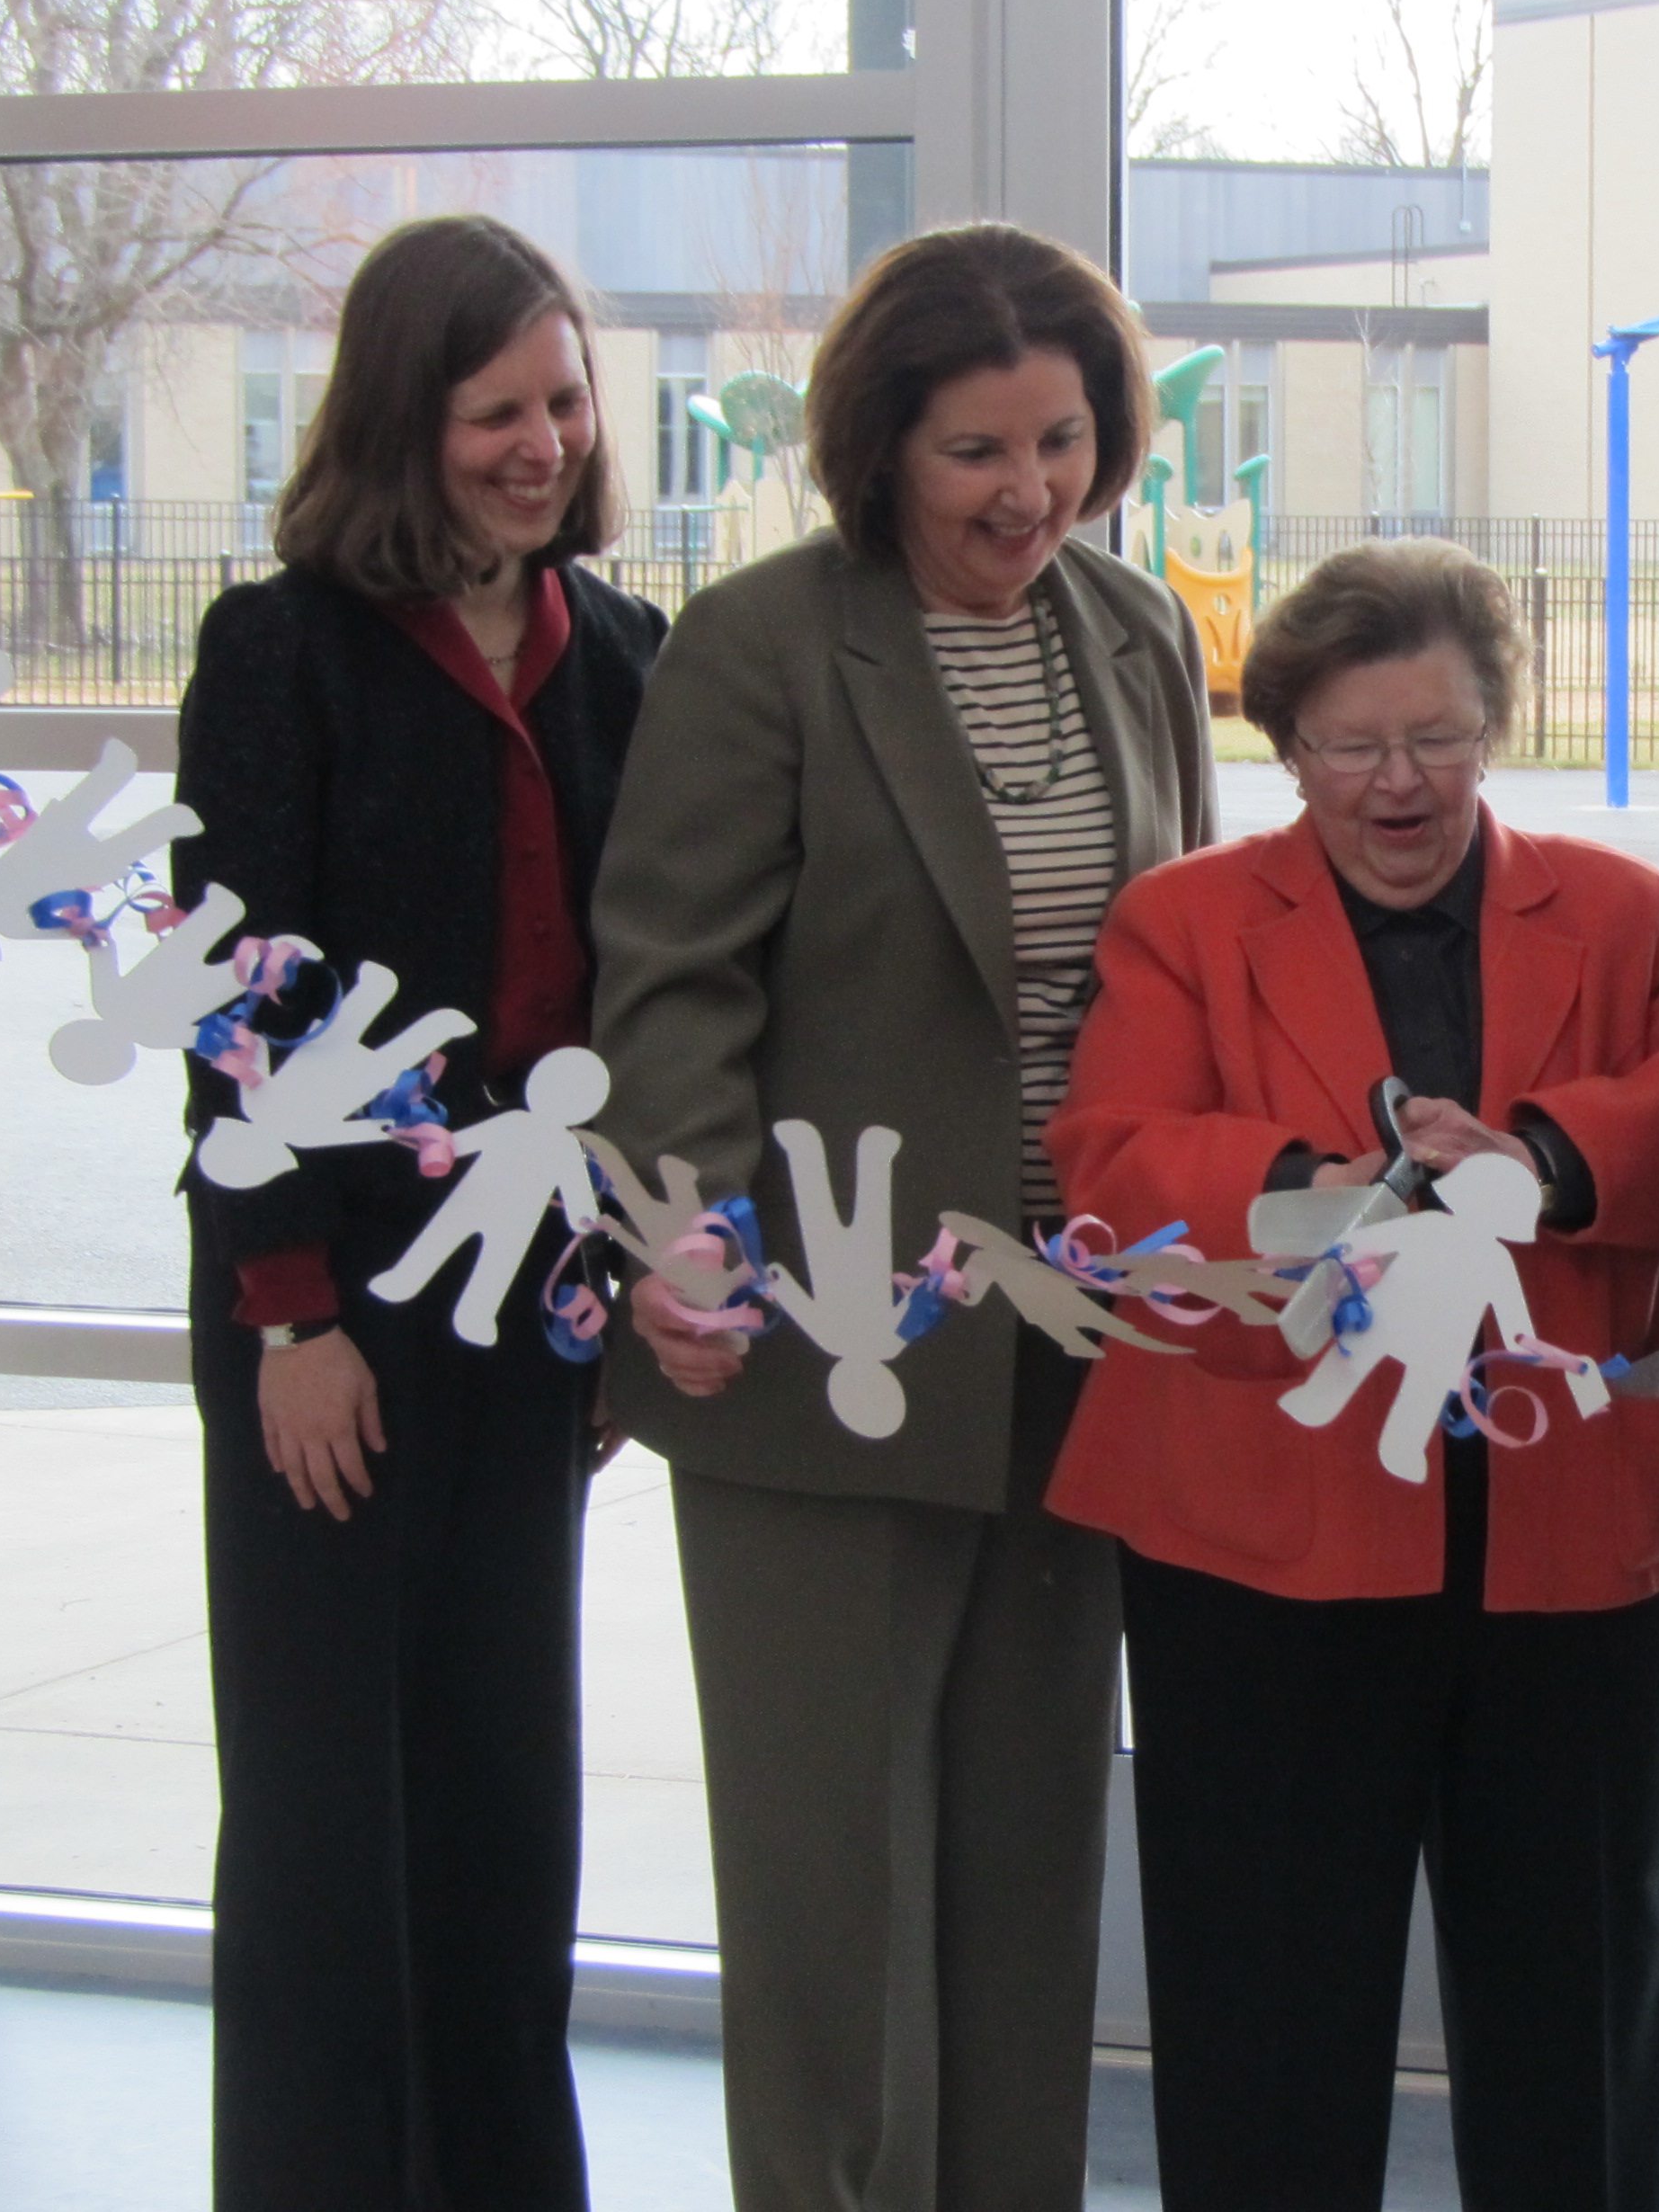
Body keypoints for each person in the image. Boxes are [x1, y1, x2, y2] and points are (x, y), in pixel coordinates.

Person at [586, 223, 1213, 2211]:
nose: (1029, 491)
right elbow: (671, 981)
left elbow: (1180, 958)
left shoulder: (1137, 631)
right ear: (878, 450)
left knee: (1029, 1884)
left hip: (1068, 1343)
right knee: (833, 1912)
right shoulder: (764, 644)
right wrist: (686, 1243)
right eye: (974, 453)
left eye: (1063, 437)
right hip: (823, 1356)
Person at [1045, 540, 1659, 2212]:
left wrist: (1527, 1153)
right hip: (1264, 1534)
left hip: (1576, 1523)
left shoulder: (1627, 913)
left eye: (1439, 739)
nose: (1399, 784)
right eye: (1355, 744)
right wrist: (1352, 1188)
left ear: (1494, 733)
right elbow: (1114, 1167)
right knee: (1264, 2014)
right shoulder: (1184, 925)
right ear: (1287, 745)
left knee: (1579, 2000)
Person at [174, 212, 667, 2210]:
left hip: (525, 1308)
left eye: (562, 400)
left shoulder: (621, 650)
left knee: (497, 1794)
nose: (541, 443)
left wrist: (620, 1299)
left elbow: (645, 1006)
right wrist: (288, 1317)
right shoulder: (277, 651)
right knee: (321, 1816)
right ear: (405, 423)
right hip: (331, 1310)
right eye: (494, 412)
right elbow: (230, 1001)